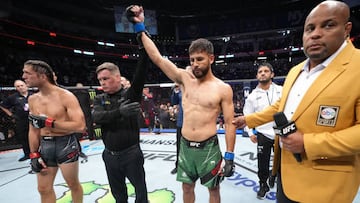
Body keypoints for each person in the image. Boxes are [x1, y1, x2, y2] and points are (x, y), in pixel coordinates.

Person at [233, 1, 360, 202]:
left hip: (325, 184)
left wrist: (308, 143)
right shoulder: (296, 70)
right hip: (285, 173)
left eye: (328, 25)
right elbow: (281, 107)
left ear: (347, 29)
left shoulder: (357, 67)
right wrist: (249, 120)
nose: (315, 34)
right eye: (310, 28)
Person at [126, 5, 236, 203]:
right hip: (185, 147)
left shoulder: (223, 88)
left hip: (209, 148)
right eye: (192, 59)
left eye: (200, 59)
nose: (195, 64)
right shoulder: (184, 79)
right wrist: (139, 26)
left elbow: (230, 123)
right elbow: (158, 58)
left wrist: (229, 156)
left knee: (214, 191)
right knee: (187, 189)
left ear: (211, 59)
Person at [92, 39, 150, 202]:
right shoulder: (99, 99)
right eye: (100, 80)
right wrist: (119, 112)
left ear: (117, 77)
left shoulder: (130, 95)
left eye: (106, 78)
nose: (103, 83)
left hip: (131, 154)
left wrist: (143, 48)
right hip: (109, 155)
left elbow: (141, 73)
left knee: (140, 192)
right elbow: (97, 118)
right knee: (118, 194)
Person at [22, 60, 86, 203]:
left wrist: (49, 123)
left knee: (73, 184)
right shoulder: (32, 99)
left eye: (27, 73)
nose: (24, 76)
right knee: (43, 188)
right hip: (45, 145)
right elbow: (33, 130)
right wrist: (33, 154)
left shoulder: (66, 96)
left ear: (42, 76)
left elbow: (80, 126)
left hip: (65, 143)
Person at [242, 62, 282, 199]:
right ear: (257, 76)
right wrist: (250, 132)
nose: (263, 73)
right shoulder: (252, 96)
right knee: (262, 162)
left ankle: (275, 176)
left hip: (281, 133)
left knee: (283, 161)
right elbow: (247, 115)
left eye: (266, 71)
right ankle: (263, 184)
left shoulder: (282, 90)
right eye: (260, 72)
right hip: (263, 133)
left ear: (272, 74)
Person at [0, 79, 32, 161]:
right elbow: (3, 106)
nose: (20, 87)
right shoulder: (13, 97)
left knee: (36, 136)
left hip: (33, 118)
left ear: (26, 85)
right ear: (16, 88)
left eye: (22, 85)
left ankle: (38, 152)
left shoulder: (33, 95)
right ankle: (27, 154)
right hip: (21, 120)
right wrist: (11, 115)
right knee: (24, 137)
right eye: (18, 86)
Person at [170, 83, 183, 175]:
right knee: (179, 145)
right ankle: (178, 165)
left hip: (194, 123)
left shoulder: (196, 89)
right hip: (181, 122)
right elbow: (174, 101)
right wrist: (176, 90)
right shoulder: (180, 91)